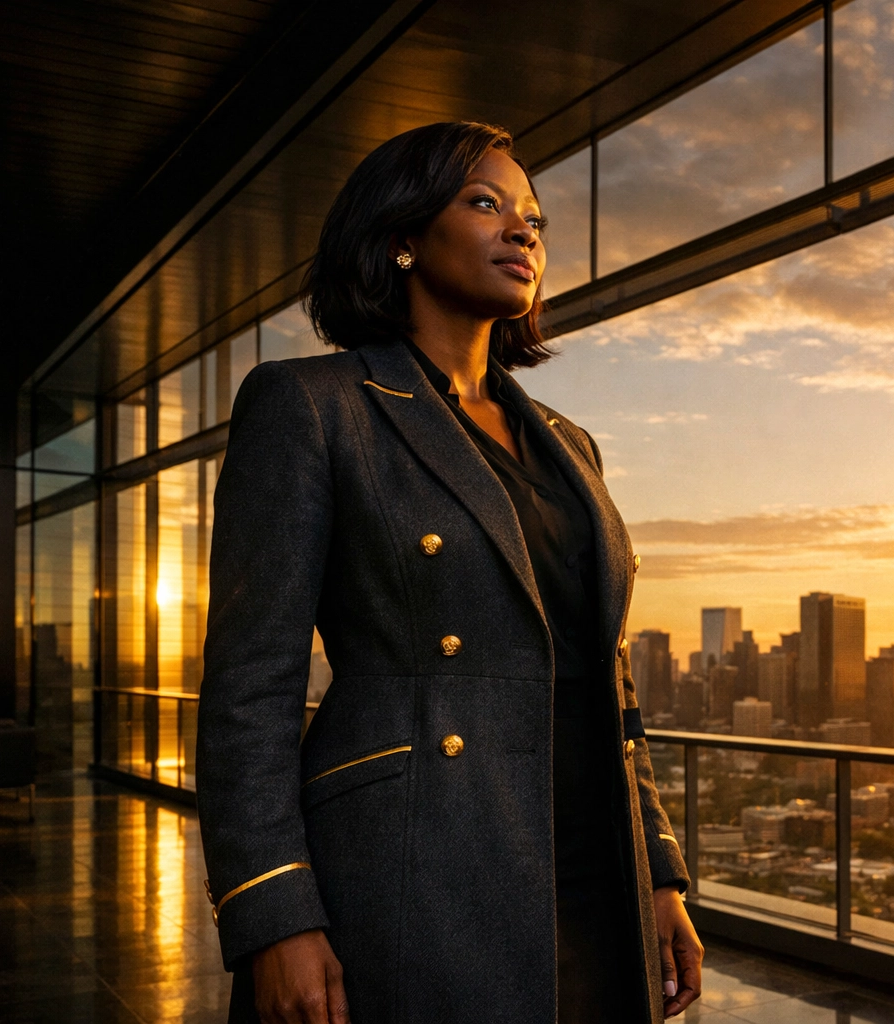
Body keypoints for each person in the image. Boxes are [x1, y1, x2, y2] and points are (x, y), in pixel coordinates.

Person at [195, 121, 703, 1023]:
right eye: (485, 203)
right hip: (410, 864)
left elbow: (610, 685)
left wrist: (657, 872)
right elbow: (250, 688)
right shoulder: (312, 408)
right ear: (400, 237)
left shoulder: (569, 445)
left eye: (533, 218)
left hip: (591, 862)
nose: (524, 231)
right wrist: (272, 912)